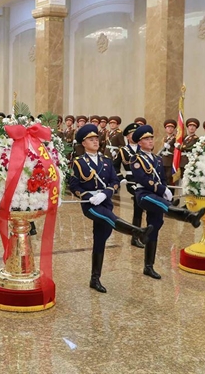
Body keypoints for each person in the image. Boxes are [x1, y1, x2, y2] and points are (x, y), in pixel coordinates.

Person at [69, 124, 154, 293]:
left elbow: (114, 182)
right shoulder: (78, 162)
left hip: (105, 201)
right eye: (90, 139)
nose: (95, 141)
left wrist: (105, 193)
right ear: (83, 143)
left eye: (96, 139)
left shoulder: (106, 161)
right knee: (108, 218)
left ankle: (95, 278)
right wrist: (87, 197)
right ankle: (137, 232)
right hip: (91, 205)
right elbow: (74, 185)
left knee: (100, 239)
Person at [130, 125, 205, 279]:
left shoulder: (157, 159)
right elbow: (142, 179)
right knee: (163, 205)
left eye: (151, 138)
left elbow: (163, 178)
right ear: (139, 142)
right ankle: (189, 216)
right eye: (146, 139)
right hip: (144, 194)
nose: (150, 141)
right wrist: (161, 190)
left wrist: (165, 188)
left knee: (154, 228)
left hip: (157, 194)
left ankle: (148, 266)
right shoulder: (136, 159)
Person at [118, 123, 146, 248]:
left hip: (145, 180)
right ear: (128, 137)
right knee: (138, 208)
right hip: (132, 181)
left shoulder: (144, 149)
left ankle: (143, 233)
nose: (134, 136)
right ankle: (135, 237)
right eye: (132, 134)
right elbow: (114, 165)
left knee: (147, 208)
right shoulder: (123, 151)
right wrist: (121, 177)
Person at [159, 119, 177, 185]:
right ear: (165, 129)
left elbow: (177, 150)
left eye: (172, 127)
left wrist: (169, 148)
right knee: (163, 177)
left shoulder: (175, 138)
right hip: (163, 160)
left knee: (169, 178)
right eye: (168, 127)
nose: (170, 129)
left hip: (170, 160)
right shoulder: (164, 138)